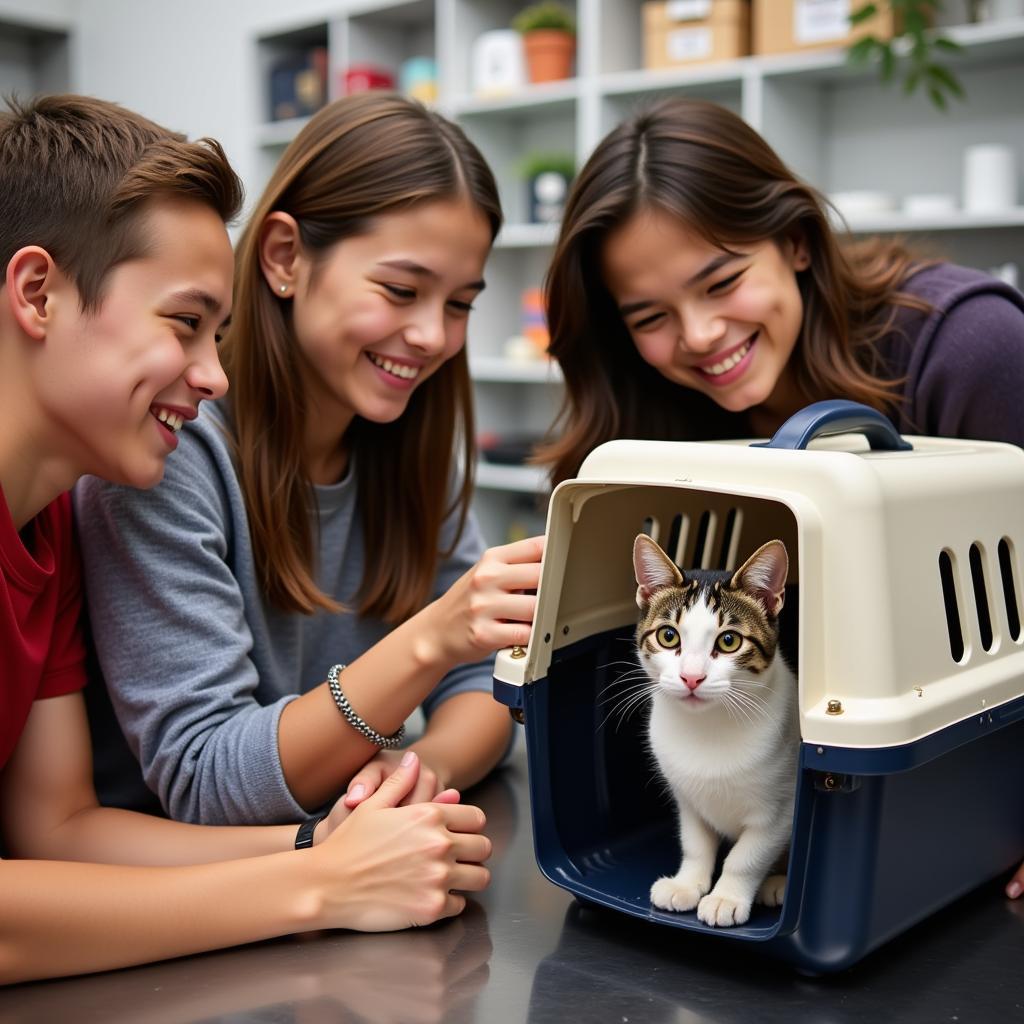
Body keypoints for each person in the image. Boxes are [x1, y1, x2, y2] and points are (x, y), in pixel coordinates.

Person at [0, 94, 493, 985]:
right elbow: (189, 778)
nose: (213, 375)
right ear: (38, 293)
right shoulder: (145, 471)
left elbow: (56, 830)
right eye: (185, 324)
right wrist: (317, 882)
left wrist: (334, 837)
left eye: (460, 302)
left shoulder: (52, 520)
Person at [536, 96, 1024, 901]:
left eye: (722, 280)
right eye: (651, 317)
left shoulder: (968, 347)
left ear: (796, 242)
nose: (697, 337)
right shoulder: (647, 425)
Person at [76, 92, 544, 827]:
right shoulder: (168, 444)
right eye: (400, 290)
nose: (431, 336)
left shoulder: (405, 444)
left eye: (460, 304)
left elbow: (485, 679)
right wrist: (429, 638)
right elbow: (207, 778)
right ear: (286, 257)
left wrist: (422, 768)